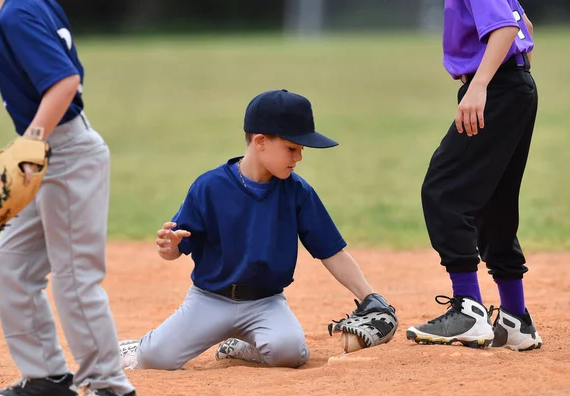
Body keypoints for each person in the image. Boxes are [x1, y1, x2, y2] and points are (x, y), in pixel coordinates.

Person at [119, 89, 398, 371]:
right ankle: (136, 346)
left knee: (288, 353)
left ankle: (242, 347)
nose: (299, 157)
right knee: (155, 360)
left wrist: (368, 296)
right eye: (292, 147)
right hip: (208, 300)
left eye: (301, 149)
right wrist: (171, 248)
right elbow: (178, 248)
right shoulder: (209, 187)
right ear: (260, 141)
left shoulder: (297, 192)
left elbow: (331, 251)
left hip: (265, 304)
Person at [0, 0, 142, 396]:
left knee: (74, 276)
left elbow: (66, 81)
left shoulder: (17, 11)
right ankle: (47, 376)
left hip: (65, 154)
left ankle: (112, 390)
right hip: (53, 152)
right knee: (12, 262)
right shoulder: (33, 3)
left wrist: (31, 142)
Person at [406, 0, 542, 351]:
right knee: (493, 203)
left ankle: (468, 310)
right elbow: (525, 24)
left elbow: (507, 28)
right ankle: (515, 319)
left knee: (443, 191)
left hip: (496, 88)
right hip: (513, 86)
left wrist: (481, 85)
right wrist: (515, 81)